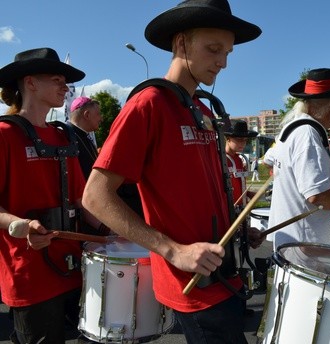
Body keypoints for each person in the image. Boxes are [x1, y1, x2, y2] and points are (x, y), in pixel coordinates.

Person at [81, 1, 262, 343]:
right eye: (213, 49)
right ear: (181, 43)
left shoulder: (200, 109)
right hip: (192, 284)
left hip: (225, 275)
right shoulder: (148, 104)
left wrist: (238, 226)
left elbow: (198, 190)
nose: (223, 62)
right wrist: (172, 250)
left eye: (227, 52)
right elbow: (95, 195)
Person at [0, 47, 101, 343]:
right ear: (30, 82)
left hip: (74, 267)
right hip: (30, 274)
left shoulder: (63, 137)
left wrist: (119, 233)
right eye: (57, 80)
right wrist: (18, 224)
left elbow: (85, 200)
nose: (65, 88)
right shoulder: (5, 134)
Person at [267, 68, 330, 249]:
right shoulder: (308, 134)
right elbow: (317, 194)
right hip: (304, 244)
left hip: (292, 240)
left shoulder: (292, 129)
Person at [225, 120, 258, 207]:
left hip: (241, 208)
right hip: (228, 209)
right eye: (239, 140)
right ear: (228, 139)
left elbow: (238, 186)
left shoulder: (239, 159)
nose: (243, 143)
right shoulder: (220, 159)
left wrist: (248, 194)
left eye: (245, 140)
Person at [68, 96, 102, 179]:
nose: (101, 119)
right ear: (87, 115)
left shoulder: (84, 135)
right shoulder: (66, 137)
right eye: (98, 114)